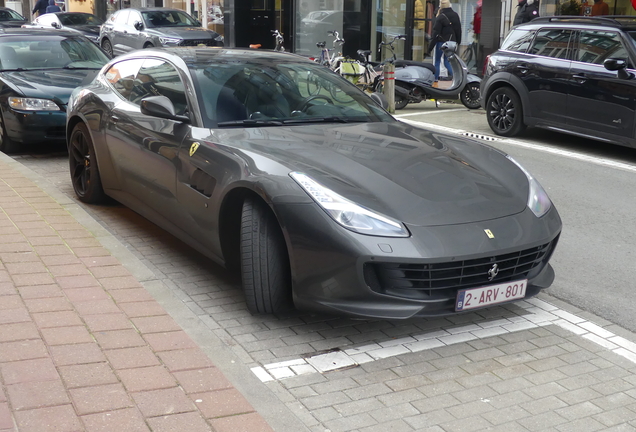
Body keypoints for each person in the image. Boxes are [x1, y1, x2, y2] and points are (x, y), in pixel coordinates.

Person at [428, 0, 461, 81]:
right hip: (451, 42)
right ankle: (457, 78)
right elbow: (458, 30)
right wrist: (458, 42)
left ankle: (435, 79)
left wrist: (430, 48)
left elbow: (435, 33)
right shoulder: (455, 15)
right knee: (447, 61)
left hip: (441, 42)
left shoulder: (440, 17)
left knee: (437, 61)